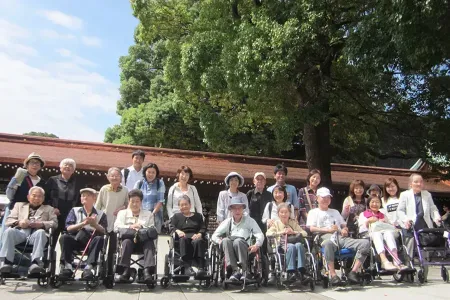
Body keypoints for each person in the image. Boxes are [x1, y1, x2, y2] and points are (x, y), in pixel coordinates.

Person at [307, 187, 370, 285]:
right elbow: (311, 228)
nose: (326, 199)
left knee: (365, 243)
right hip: (324, 237)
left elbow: (344, 225)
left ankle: (353, 272)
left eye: (328, 197)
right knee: (328, 243)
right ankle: (333, 275)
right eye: (323, 197)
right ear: (317, 198)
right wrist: (328, 230)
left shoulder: (335, 212)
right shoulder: (313, 212)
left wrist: (345, 230)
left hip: (339, 236)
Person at [0, 186, 57, 274]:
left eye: (40, 196)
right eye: (34, 195)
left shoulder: (49, 209)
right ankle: (7, 263)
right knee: (8, 231)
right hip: (20, 233)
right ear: (28, 197)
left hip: (36, 235)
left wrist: (41, 224)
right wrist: (19, 222)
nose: (37, 198)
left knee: (41, 232)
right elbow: (8, 221)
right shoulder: (19, 205)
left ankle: (35, 263)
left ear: (43, 198)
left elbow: (54, 223)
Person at [397, 173, 441, 282]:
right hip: (410, 225)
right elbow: (400, 210)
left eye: (421, 181)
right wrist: (406, 219)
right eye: (416, 181)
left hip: (424, 225)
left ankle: (424, 275)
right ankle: (408, 274)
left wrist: (436, 217)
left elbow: (433, 208)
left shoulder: (427, 194)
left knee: (424, 250)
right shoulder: (405, 195)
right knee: (409, 250)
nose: (419, 184)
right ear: (410, 184)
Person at [212, 198, 264, 281]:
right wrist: (219, 241)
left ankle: (245, 270)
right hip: (229, 249)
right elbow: (214, 235)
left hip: (245, 248)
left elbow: (259, 234)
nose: (237, 211)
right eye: (234, 208)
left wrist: (257, 245)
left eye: (239, 208)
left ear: (243, 209)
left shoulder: (249, 221)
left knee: (238, 241)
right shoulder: (227, 222)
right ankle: (234, 271)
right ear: (231, 210)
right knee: (225, 240)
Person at [59, 188, 107, 279]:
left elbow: (104, 230)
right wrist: (83, 224)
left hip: (92, 241)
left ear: (94, 198)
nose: (84, 197)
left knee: (100, 239)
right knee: (64, 237)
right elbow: (68, 228)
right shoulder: (74, 210)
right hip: (77, 238)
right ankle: (67, 266)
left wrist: (94, 225)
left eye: (87, 195)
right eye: (82, 195)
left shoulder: (101, 213)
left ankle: (89, 268)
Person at [114, 189, 156, 283]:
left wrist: (141, 227)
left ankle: (147, 271)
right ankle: (125, 270)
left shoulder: (148, 214)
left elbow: (152, 228)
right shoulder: (122, 213)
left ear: (141, 202)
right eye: (132, 201)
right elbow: (116, 227)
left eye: (137, 201)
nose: (134, 204)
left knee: (149, 243)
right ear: (129, 201)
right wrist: (130, 226)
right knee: (126, 242)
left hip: (143, 241)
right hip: (129, 241)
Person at [358, 196, 407, 271]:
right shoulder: (363, 214)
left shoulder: (383, 215)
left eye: (377, 202)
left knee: (389, 233)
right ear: (368, 204)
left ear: (380, 204)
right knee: (376, 234)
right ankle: (384, 260)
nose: (375, 204)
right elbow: (361, 230)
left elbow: (390, 226)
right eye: (372, 202)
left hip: (384, 234)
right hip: (370, 234)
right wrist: (368, 222)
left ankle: (396, 260)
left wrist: (385, 222)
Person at [45, 158, 84, 247]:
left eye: (71, 166)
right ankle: (48, 259)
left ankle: (64, 260)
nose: (68, 167)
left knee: (67, 240)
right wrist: (52, 208)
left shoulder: (78, 182)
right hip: (55, 214)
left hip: (70, 215)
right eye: (65, 165)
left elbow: (80, 200)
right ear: (60, 168)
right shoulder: (53, 180)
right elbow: (45, 197)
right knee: (51, 239)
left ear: (74, 170)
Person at [266, 203, 308, 282]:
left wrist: (293, 232)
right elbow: (268, 233)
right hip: (282, 244)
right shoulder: (276, 223)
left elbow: (305, 233)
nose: (284, 214)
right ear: (278, 214)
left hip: (294, 242)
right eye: (281, 212)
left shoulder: (292, 223)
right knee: (291, 246)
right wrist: (282, 232)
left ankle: (302, 271)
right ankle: (291, 271)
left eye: (286, 212)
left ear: (289, 213)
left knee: (299, 245)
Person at [170, 195, 207, 277]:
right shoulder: (176, 217)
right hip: (183, 238)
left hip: (195, 236)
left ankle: (201, 267)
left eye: (186, 204)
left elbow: (203, 227)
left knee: (199, 241)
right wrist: (178, 231)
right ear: (179, 207)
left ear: (190, 205)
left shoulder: (198, 216)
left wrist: (199, 234)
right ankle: (187, 266)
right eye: (181, 205)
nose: (184, 206)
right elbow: (171, 227)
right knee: (183, 239)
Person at [134, 163, 166, 233]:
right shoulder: (139, 183)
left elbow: (160, 201)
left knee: (153, 238)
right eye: (149, 172)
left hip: (155, 215)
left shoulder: (160, 183)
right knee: (139, 235)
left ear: (156, 173)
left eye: (153, 172)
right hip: (140, 215)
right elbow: (133, 199)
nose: (150, 174)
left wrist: (151, 214)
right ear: (145, 172)